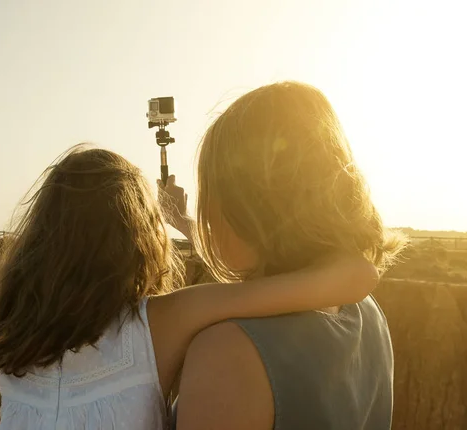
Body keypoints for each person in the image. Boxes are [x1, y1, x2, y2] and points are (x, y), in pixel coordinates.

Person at [0, 144, 378, 430]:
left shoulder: (13, 337)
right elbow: (356, 278)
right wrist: (180, 220)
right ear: (136, 240)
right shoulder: (158, 325)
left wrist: (182, 220)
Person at [164, 81, 406, 430]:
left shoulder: (228, 355)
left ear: (251, 204)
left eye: (213, 189)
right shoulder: (366, 312)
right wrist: (182, 221)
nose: (208, 214)